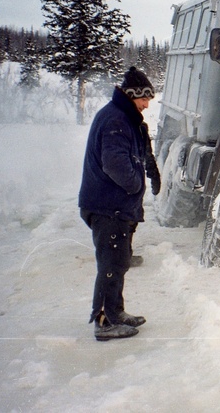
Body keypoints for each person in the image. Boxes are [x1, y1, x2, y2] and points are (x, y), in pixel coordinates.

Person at [79, 67, 161, 341]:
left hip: (115, 206)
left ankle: (115, 312)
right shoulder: (116, 119)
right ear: (133, 95)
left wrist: (149, 168)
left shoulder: (125, 117)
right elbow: (114, 163)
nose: (147, 104)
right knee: (111, 264)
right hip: (107, 206)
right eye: (144, 98)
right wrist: (136, 184)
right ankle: (103, 322)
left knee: (119, 261)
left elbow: (137, 150)